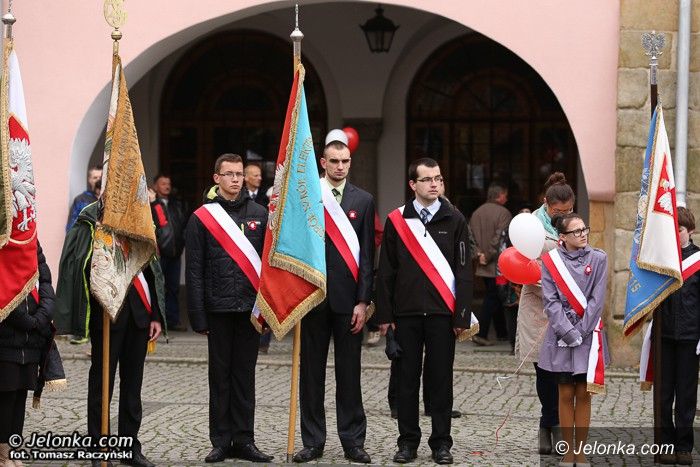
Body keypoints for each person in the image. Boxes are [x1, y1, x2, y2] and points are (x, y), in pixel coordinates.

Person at [377, 157, 472, 465]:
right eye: (427, 179)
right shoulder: (397, 220)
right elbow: (386, 271)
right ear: (412, 184)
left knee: (440, 380)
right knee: (406, 381)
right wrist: (385, 317)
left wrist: (461, 314)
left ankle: (441, 443)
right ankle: (407, 443)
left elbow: (464, 271)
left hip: (443, 315)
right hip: (406, 315)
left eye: (438, 178)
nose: (434, 184)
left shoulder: (455, 219)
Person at [55, 202, 164, 467]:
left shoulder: (139, 214)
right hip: (106, 315)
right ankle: (98, 447)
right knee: (101, 385)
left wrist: (155, 316)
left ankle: (129, 447)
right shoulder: (91, 217)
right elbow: (76, 261)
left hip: (139, 314)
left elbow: (151, 266)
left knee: (133, 386)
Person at [293, 130, 375, 464]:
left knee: (349, 375)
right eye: (334, 161)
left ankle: (353, 441)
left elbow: (367, 256)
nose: (340, 166)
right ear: (322, 163)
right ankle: (313, 441)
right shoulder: (308, 196)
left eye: (345, 161)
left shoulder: (363, 200)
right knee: (311, 375)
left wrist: (363, 301)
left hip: (348, 301)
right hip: (313, 298)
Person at [185, 153, 272, 464]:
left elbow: (269, 266)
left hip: (250, 310)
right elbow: (194, 270)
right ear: (217, 178)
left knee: (244, 377)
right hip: (218, 309)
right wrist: (198, 315)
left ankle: (245, 440)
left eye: (239, 174)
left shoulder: (261, 214)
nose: (236, 179)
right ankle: (221, 441)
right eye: (229, 174)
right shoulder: (201, 218)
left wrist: (270, 308)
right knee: (220, 377)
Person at [537, 212, 607, 467]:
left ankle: (581, 452)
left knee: (584, 394)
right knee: (565, 393)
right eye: (576, 231)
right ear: (563, 237)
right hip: (561, 335)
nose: (583, 234)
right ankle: (568, 452)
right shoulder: (551, 261)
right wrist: (568, 332)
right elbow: (551, 301)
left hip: (588, 335)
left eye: (584, 229)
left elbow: (597, 299)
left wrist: (582, 331)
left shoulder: (599, 258)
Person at [516, 172, 575, 454]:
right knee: (544, 372)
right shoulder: (531, 227)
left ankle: (557, 425)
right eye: (558, 212)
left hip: (566, 310)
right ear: (546, 205)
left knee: (564, 372)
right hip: (538, 308)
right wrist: (553, 284)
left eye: (569, 211)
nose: (564, 216)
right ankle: (548, 423)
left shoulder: (575, 227)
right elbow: (523, 267)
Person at [0, 243, 56, 466]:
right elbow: (4, 292)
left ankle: (14, 448)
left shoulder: (31, 241)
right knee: (6, 396)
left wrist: (42, 316)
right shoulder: (4, 240)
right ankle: (2, 452)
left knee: (21, 394)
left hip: (32, 339)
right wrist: (27, 321)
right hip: (7, 337)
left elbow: (45, 283)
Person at [658, 207, 699, 465]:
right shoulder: (661, 259)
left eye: (680, 229)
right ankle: (665, 444)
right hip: (664, 335)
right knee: (664, 394)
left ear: (690, 231)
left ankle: (684, 446)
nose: (676, 233)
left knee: (685, 394)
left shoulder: (698, 260)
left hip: (690, 337)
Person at [469, 183, 512, 346]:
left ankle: (501, 332)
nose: (507, 198)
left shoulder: (476, 213)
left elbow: (470, 237)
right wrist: (487, 256)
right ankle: (481, 333)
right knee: (492, 298)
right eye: (505, 195)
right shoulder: (504, 213)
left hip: (482, 264)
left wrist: (478, 254)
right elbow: (499, 239)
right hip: (497, 265)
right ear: (499, 196)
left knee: (495, 297)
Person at [150, 173, 187, 331]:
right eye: (163, 183)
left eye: (168, 184)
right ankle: (157, 321)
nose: (167, 186)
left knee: (173, 288)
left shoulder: (176, 204)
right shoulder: (152, 204)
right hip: (159, 254)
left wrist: (182, 242)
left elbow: (183, 224)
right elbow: (157, 225)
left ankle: (172, 320)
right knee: (157, 288)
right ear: (155, 186)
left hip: (175, 253)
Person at [66, 164, 102, 231]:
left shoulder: (108, 200)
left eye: (100, 177)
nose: (98, 180)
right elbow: (71, 226)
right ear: (89, 180)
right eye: (95, 178)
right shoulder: (81, 200)